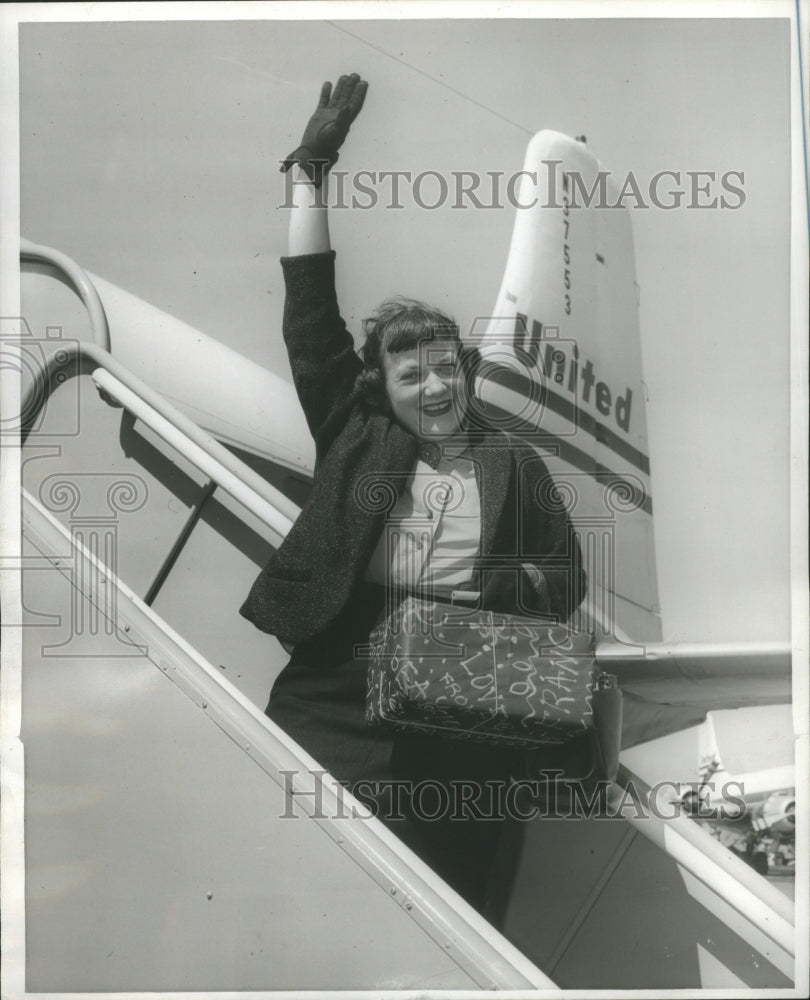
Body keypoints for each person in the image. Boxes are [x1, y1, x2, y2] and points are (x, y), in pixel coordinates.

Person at [241, 73, 587, 918]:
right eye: (410, 372)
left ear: (464, 375)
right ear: (381, 388)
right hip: (339, 683)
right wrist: (309, 173)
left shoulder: (514, 464)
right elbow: (309, 310)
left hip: (459, 692)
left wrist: (487, 599)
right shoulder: (357, 436)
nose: (432, 384)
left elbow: (567, 577)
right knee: (289, 875)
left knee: (452, 902)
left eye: (445, 367)